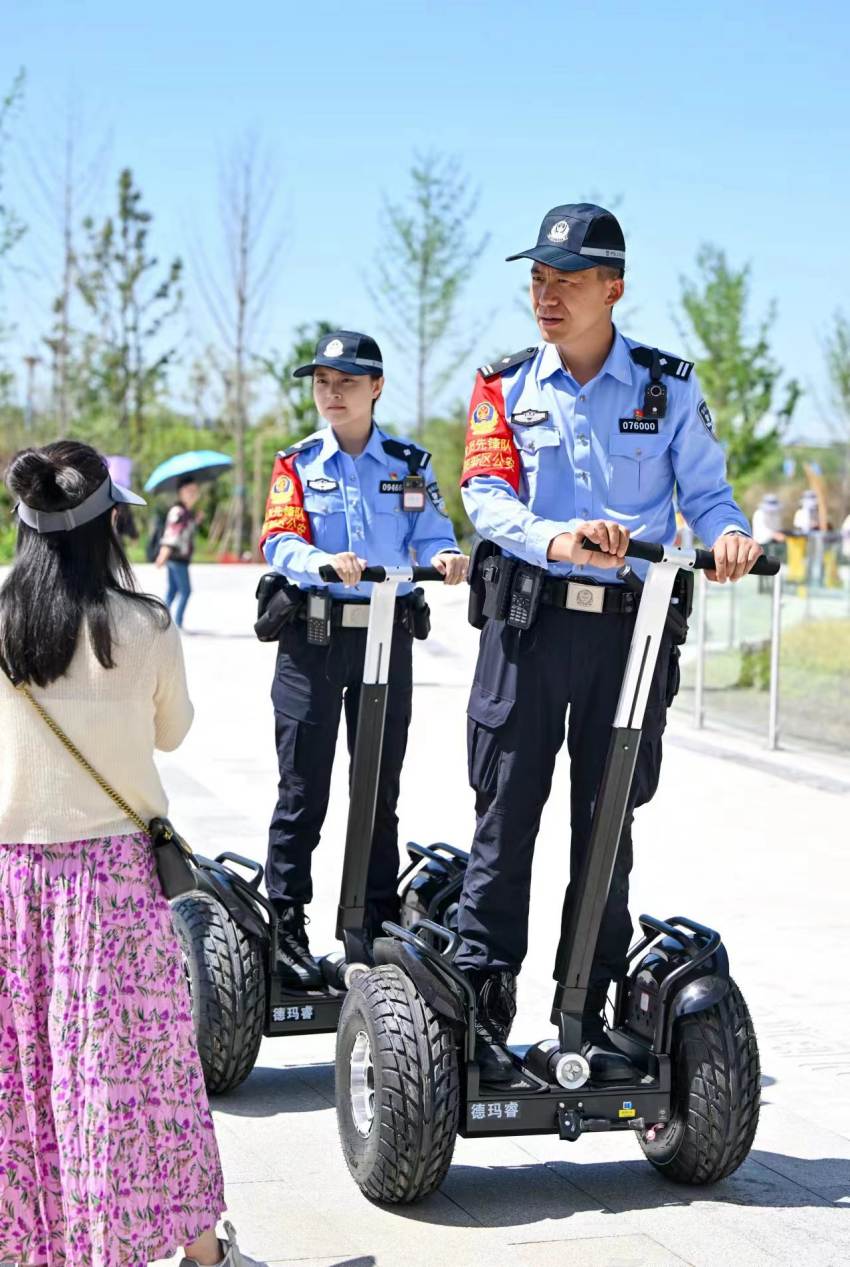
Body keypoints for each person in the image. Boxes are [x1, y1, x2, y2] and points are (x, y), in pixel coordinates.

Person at [455, 203, 763, 1083]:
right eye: (537, 279)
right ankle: (479, 1008)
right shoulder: (503, 386)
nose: (545, 296)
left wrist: (729, 532)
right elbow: (486, 495)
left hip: (630, 633)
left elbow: (708, 495)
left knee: (606, 820)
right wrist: (557, 538)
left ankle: (583, 1012)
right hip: (530, 623)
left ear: (613, 289)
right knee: (506, 813)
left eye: (567, 281)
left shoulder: (670, 388)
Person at [0, 441, 265, 1267]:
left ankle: (35, 1246)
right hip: (114, 880)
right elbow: (172, 730)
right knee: (149, 1075)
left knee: (26, 1072)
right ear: (105, 525)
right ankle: (202, 1255)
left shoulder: (2, 621)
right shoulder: (145, 625)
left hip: (14, 879)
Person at [260, 330, 467, 987]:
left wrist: (444, 554)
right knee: (303, 789)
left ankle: (373, 923)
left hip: (386, 637)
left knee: (378, 788)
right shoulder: (297, 464)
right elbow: (279, 538)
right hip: (314, 640)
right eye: (322, 382)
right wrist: (319, 560)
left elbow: (430, 530)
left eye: (346, 382)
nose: (332, 393)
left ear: (376, 387)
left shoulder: (407, 464)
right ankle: (287, 926)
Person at [156, 475, 201, 628]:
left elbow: (185, 532)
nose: (193, 494)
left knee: (173, 590)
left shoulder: (186, 512)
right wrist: (164, 553)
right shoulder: (178, 511)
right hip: (176, 557)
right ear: (181, 492)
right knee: (185, 591)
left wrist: (196, 520)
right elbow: (172, 533)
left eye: (195, 491)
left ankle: (162, 622)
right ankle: (176, 623)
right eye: (189, 491)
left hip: (179, 557)